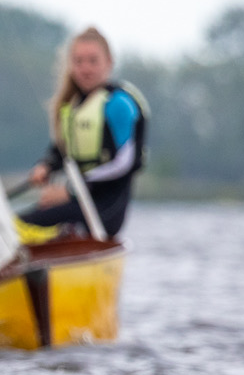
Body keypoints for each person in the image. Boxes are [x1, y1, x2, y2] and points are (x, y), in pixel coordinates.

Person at [20, 27, 148, 239]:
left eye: (92, 61)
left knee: (21, 227)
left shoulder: (119, 104)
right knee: (14, 226)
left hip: (104, 212)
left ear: (109, 62)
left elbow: (125, 163)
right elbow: (61, 151)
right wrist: (46, 166)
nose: (85, 68)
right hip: (77, 202)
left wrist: (70, 190)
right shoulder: (72, 107)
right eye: (79, 62)